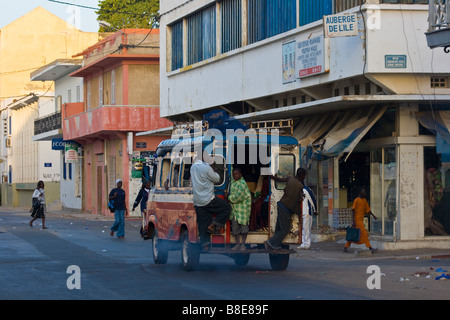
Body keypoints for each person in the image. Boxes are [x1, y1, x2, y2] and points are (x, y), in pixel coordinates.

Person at [190, 156, 231, 249]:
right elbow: (217, 179)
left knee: (203, 223)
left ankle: (205, 245)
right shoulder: (207, 168)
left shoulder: (193, 166)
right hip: (208, 199)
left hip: (198, 200)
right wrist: (214, 170)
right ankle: (214, 225)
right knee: (226, 208)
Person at [264, 168, 305, 251]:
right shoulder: (300, 186)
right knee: (285, 230)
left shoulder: (290, 178)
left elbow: (279, 179)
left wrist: (272, 177)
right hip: (286, 209)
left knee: (278, 228)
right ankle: (270, 242)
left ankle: (275, 245)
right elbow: (301, 198)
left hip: (280, 205)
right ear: (302, 176)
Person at [343, 188, 378, 254]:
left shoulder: (364, 201)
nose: (365, 193)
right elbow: (353, 211)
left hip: (360, 221)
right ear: (360, 193)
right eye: (364, 192)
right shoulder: (356, 200)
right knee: (364, 233)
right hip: (357, 221)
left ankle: (345, 247)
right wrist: (353, 222)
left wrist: (373, 215)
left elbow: (368, 210)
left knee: (354, 234)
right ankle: (370, 248)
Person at [225, 168, 252, 251]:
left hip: (243, 208)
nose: (234, 176)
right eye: (234, 174)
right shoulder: (233, 182)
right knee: (235, 227)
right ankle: (237, 244)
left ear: (240, 175)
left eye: (236, 174)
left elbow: (238, 197)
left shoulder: (242, 184)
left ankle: (243, 244)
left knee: (244, 227)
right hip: (235, 209)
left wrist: (228, 197)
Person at [298, 175, 317, 250]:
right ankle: (303, 243)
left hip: (307, 213)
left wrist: (315, 210)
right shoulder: (300, 190)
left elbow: (312, 201)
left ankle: (307, 244)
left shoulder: (306, 190)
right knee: (303, 228)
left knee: (306, 229)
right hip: (302, 213)